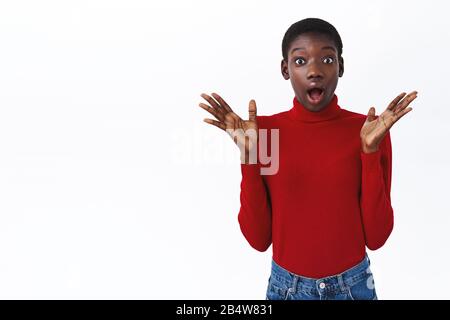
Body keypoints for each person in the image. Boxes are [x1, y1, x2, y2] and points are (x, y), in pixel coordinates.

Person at [198, 18, 417, 300]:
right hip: (287, 289)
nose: (315, 71)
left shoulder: (368, 131)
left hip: (354, 287)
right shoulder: (265, 133)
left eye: (327, 59)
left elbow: (377, 237)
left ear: (341, 65)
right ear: (285, 69)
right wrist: (250, 158)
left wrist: (369, 154)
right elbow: (258, 239)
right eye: (300, 61)